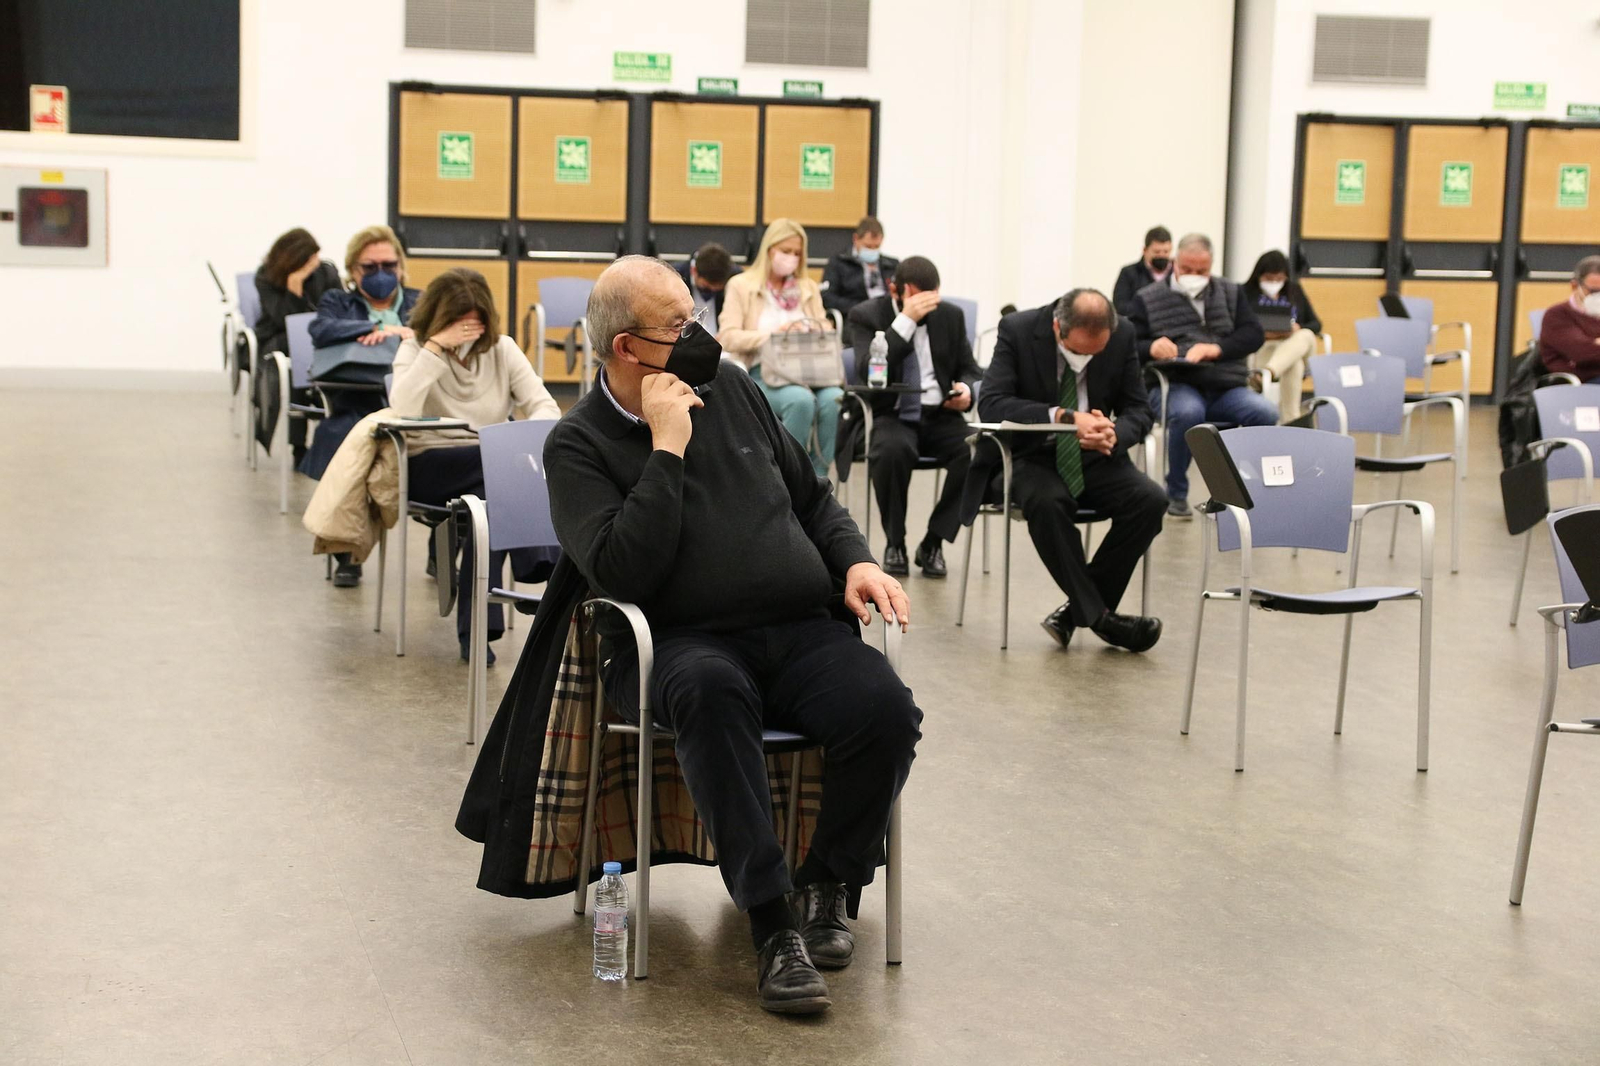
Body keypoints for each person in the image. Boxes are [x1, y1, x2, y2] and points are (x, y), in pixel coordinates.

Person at [544, 255, 921, 1015]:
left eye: (699, 315)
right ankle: (773, 922)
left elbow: (815, 500)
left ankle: (826, 884)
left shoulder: (735, 389)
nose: (702, 338)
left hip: (796, 628)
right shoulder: (577, 446)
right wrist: (667, 447)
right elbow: (623, 572)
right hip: (681, 643)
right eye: (680, 327)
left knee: (884, 709)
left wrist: (852, 560)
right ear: (628, 349)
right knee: (711, 693)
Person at [976, 290, 1165, 650]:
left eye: (1095, 353)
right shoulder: (1017, 330)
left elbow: (1139, 410)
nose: (1085, 359)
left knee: (1151, 500)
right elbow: (992, 404)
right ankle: (1103, 620)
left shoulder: (1123, 334)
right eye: (1078, 351)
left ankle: (1076, 612)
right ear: (1056, 328)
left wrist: (1114, 433)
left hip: (1095, 455)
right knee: (1048, 502)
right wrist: (1064, 418)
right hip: (1033, 454)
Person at [388, 268, 560, 663]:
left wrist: (525, 437)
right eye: (456, 322)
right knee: (501, 467)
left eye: (475, 322)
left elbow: (543, 405)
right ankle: (536, 559)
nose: (468, 331)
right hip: (428, 465)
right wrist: (434, 349)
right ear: (437, 319)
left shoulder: (501, 349)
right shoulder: (415, 352)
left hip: (487, 470)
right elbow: (401, 411)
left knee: (491, 504)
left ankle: (476, 631)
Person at [844, 255, 978, 578]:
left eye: (932, 297)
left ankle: (933, 542)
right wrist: (904, 322)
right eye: (919, 297)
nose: (927, 305)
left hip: (940, 412)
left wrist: (967, 390)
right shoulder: (866, 315)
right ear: (896, 290)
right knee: (890, 452)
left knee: (976, 453)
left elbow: (970, 368)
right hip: (893, 410)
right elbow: (865, 370)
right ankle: (895, 542)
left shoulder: (950, 316)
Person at [1129, 232, 1276, 518]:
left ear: (1211, 267)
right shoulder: (1146, 298)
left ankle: (1240, 490)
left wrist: (1216, 349)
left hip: (1226, 386)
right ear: (1175, 263)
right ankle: (1176, 493)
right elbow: (1128, 342)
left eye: (1202, 271)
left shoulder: (1230, 292)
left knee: (1265, 412)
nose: (1194, 275)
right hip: (1175, 384)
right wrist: (1151, 347)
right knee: (1188, 413)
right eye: (1187, 270)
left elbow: (1253, 334)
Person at [306, 225, 421, 585]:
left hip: (415, 406)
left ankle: (444, 550)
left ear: (401, 267)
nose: (381, 274)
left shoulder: (422, 301)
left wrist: (413, 334)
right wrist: (375, 327)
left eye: (389, 265)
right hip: (356, 403)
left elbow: (445, 334)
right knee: (345, 446)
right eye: (369, 267)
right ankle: (347, 554)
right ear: (353, 271)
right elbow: (321, 330)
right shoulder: (337, 302)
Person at [718, 218, 841, 478]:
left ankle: (817, 481)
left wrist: (810, 330)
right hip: (763, 372)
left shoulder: (807, 287)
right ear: (769, 249)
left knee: (834, 400)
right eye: (786, 251)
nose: (792, 258)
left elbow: (824, 328)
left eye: (797, 253)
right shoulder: (741, 285)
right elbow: (728, 337)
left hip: (810, 369)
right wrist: (774, 336)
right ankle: (786, 479)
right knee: (801, 401)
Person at [254, 228, 341, 463]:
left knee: (306, 353)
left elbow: (337, 310)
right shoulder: (265, 277)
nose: (316, 262)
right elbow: (284, 319)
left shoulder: (326, 273)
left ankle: (326, 432)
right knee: (298, 356)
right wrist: (295, 286)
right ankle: (299, 445)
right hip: (279, 340)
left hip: (317, 338)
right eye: (310, 258)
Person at [1241, 249, 1323, 424]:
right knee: (1294, 364)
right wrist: (1263, 333)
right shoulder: (1245, 293)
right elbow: (1238, 326)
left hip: (1293, 345)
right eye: (1269, 279)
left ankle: (1267, 374)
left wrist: (1296, 328)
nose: (1274, 283)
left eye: (1279, 279)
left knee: (1306, 334)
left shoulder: (1295, 291)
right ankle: (1290, 422)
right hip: (1263, 348)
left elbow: (1316, 324)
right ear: (1259, 275)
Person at [1538, 254, 1600, 382]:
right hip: (1580, 382)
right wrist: (1591, 345)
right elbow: (1583, 354)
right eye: (1594, 291)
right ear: (1574, 286)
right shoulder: (1557, 315)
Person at [821, 216, 899, 316]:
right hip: (855, 317)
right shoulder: (838, 263)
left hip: (886, 317)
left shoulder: (892, 265)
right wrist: (863, 308)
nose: (872, 250)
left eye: (876, 246)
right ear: (856, 238)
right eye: (868, 246)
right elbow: (828, 298)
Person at [673, 242, 734, 334]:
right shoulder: (674, 278)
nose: (710, 293)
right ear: (694, 271)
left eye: (716, 291)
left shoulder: (734, 279)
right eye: (706, 289)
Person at [1112, 226, 1173, 316]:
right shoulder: (1128, 273)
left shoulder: (1177, 273)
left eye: (1166, 252)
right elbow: (1121, 307)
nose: (1161, 255)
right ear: (1145, 250)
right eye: (1157, 252)